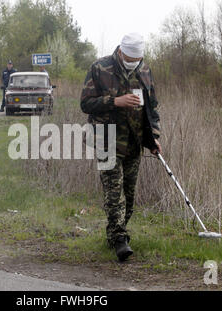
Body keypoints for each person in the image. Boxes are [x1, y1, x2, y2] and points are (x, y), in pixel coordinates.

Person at [80, 33, 162, 262]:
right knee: (114, 193)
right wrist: (115, 101)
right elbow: (85, 103)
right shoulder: (100, 68)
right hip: (106, 140)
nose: (134, 61)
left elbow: (152, 110)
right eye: (130, 57)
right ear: (121, 52)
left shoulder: (145, 71)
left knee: (129, 195)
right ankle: (119, 240)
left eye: (138, 58)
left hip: (134, 143)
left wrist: (153, 137)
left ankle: (116, 232)